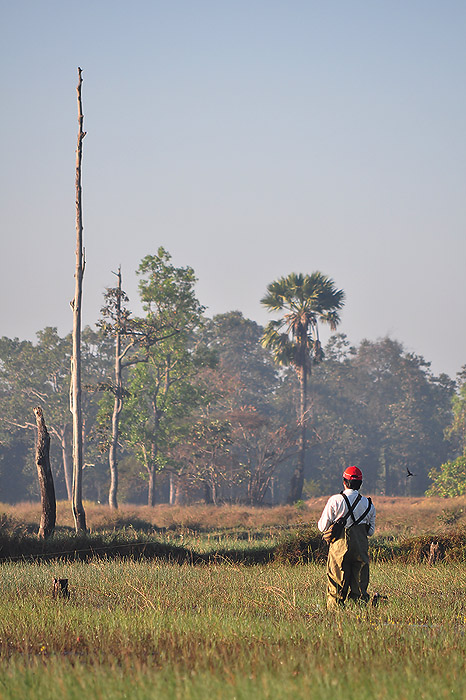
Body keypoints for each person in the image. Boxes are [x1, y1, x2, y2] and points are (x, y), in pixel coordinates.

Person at [317, 466, 376, 611]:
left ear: (344, 482)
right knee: (360, 586)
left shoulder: (335, 500)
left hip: (338, 547)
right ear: (360, 484)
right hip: (360, 547)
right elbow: (370, 532)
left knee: (336, 584)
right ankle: (359, 614)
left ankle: (335, 615)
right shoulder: (369, 504)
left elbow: (322, 527)